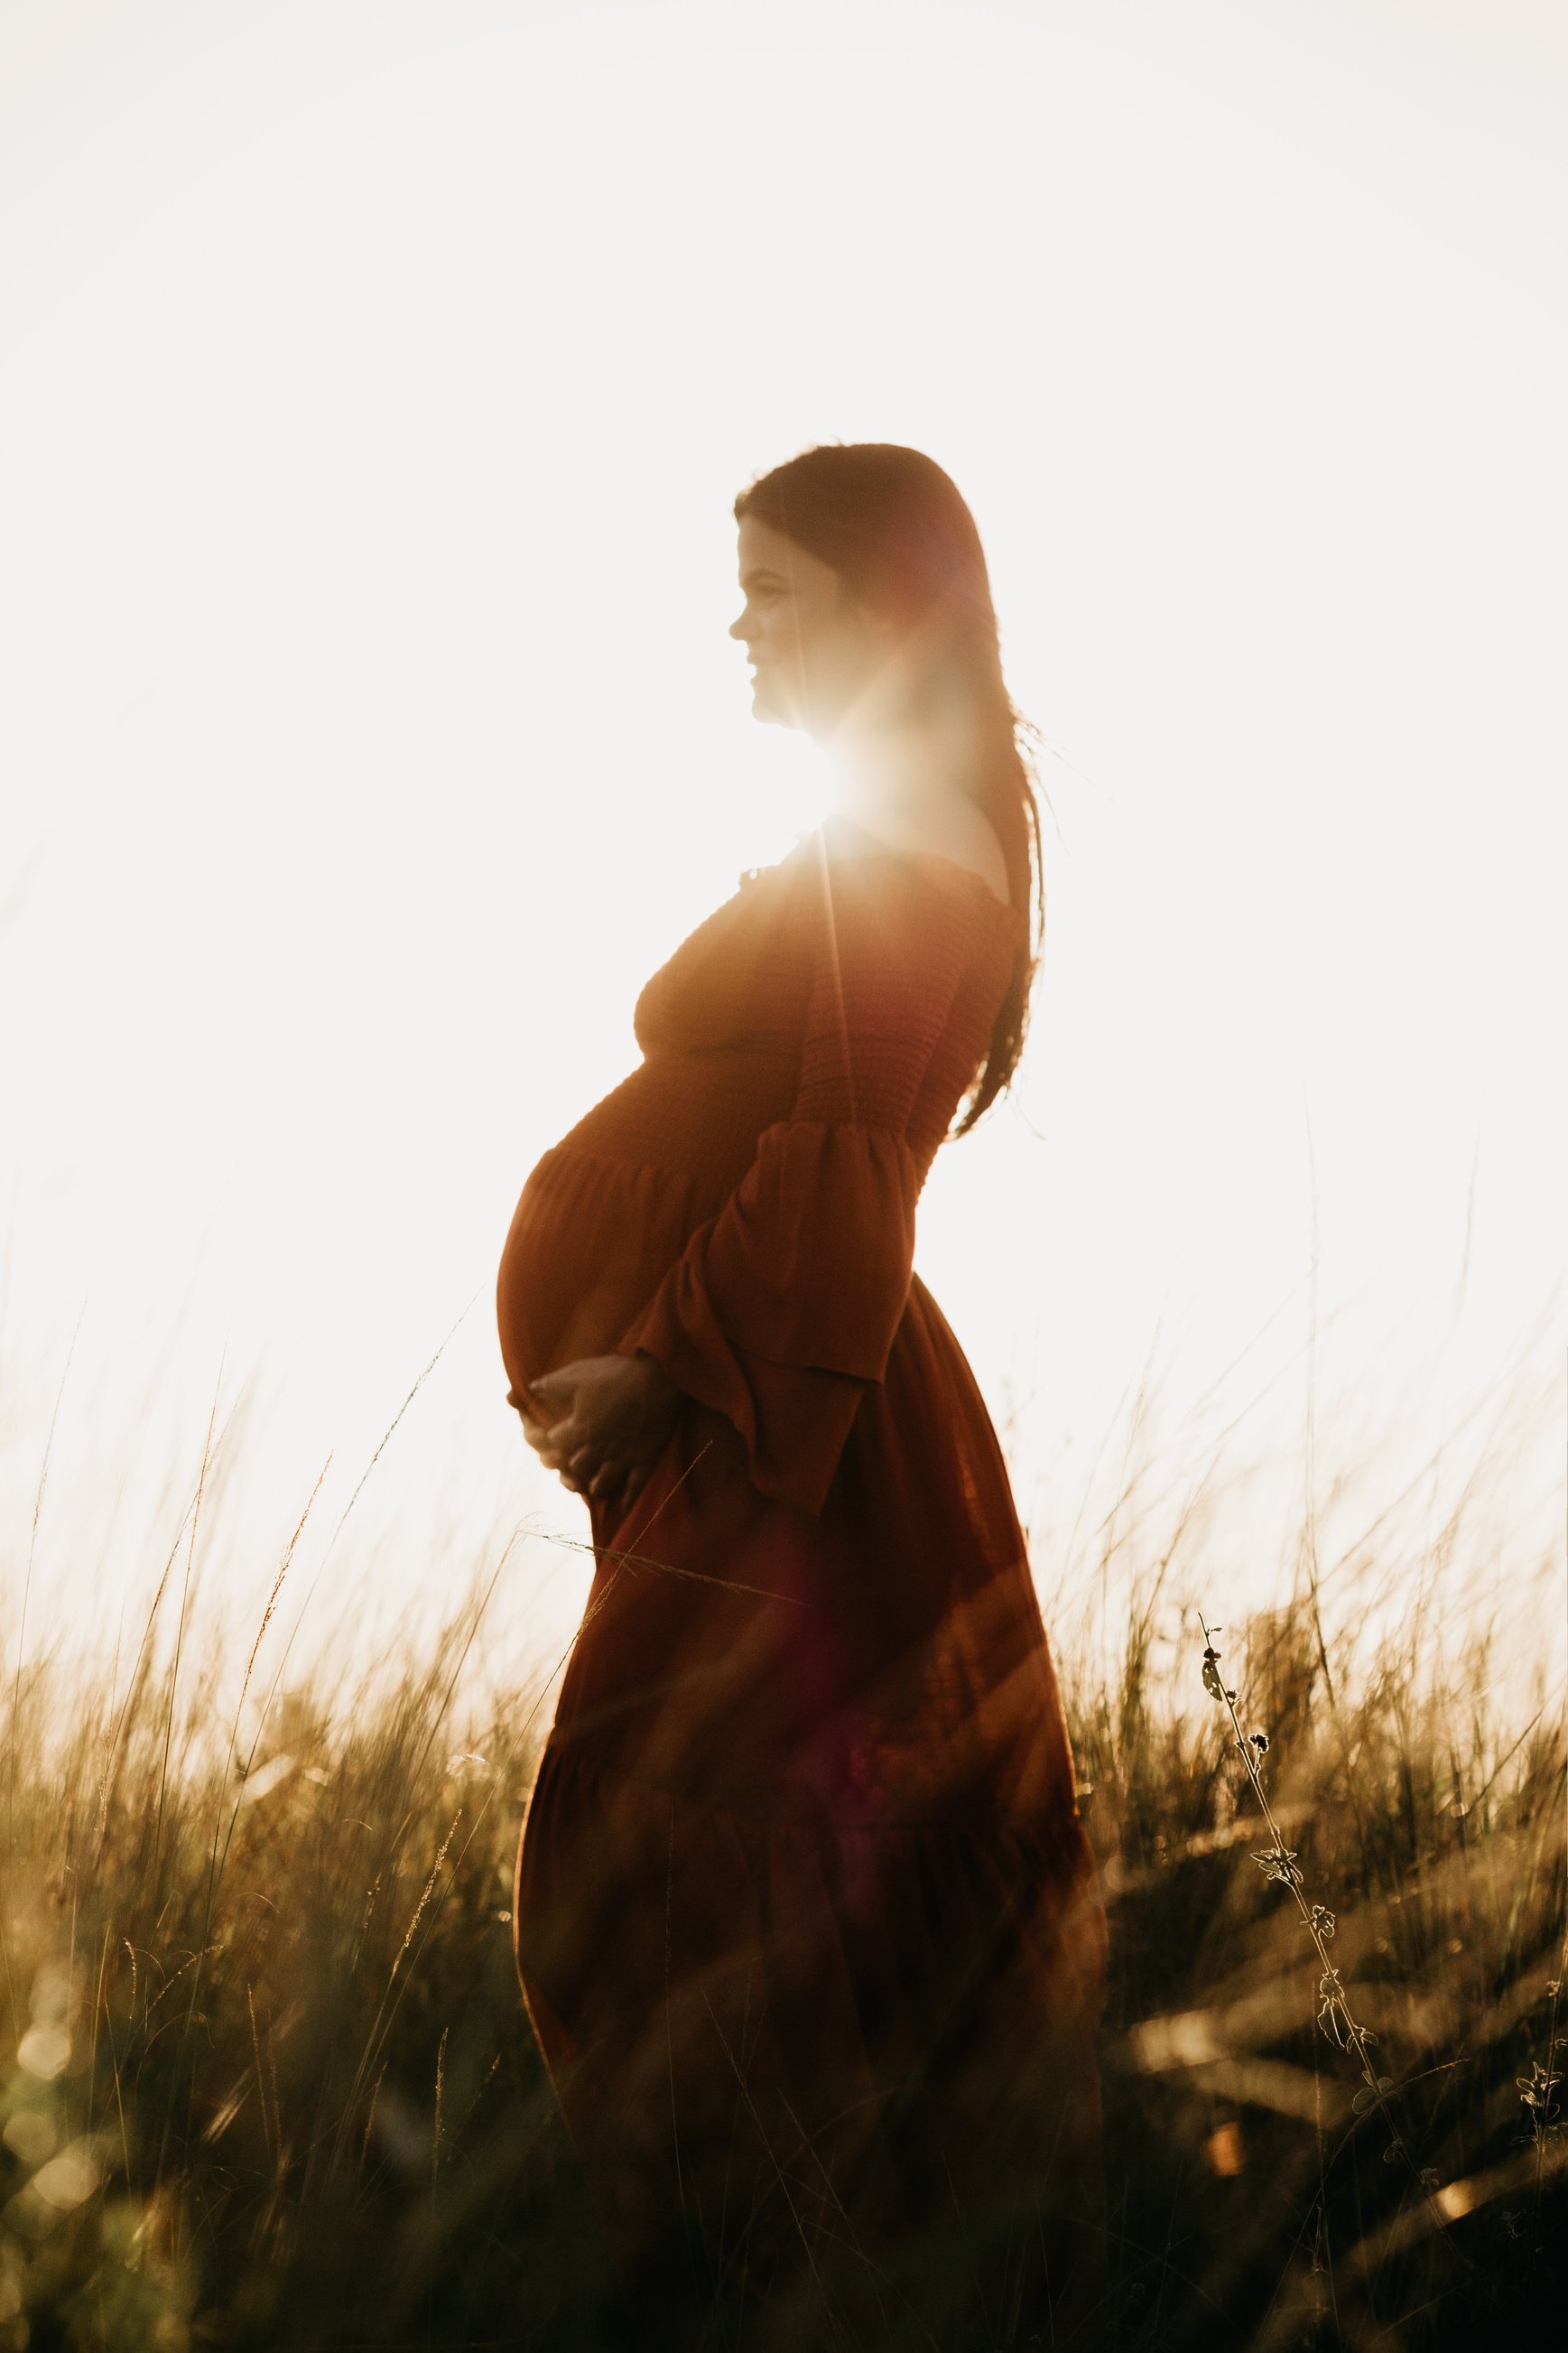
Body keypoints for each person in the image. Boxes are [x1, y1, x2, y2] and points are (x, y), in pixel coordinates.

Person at [496, 443, 1107, 2349]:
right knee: (717, 1873)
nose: (737, 625)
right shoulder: (901, 821)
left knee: (656, 1860)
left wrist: (657, 1358)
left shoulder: (914, 830)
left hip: (781, 1418)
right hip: (769, 1399)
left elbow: (853, 1156)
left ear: (875, 599)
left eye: (768, 587)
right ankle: (790, 2284)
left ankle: (770, 2287)